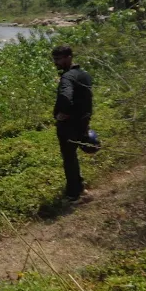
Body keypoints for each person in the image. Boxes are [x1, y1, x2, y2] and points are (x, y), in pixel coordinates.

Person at [51, 44, 93, 203]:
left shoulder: (67, 77)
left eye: (59, 59)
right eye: (54, 59)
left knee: (69, 158)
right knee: (72, 157)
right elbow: (87, 99)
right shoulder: (84, 74)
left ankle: (73, 194)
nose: (56, 62)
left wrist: (64, 114)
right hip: (82, 122)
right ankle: (79, 186)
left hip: (69, 126)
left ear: (69, 57)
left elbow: (66, 97)